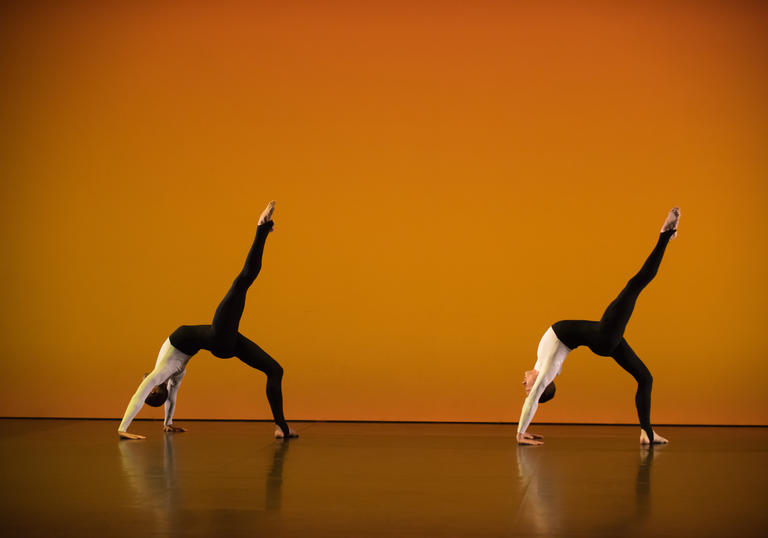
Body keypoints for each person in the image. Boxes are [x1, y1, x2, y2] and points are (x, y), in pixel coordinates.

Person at [117, 201, 298, 440]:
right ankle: (261, 228)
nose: (147, 382)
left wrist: (167, 422)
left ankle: (282, 429)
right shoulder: (163, 371)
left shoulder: (173, 375)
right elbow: (141, 393)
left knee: (275, 369)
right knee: (242, 282)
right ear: (154, 388)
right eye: (151, 386)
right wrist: (123, 429)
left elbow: (171, 398)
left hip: (226, 342)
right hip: (217, 336)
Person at [517, 208, 681, 446]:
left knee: (645, 378)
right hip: (603, 335)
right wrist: (520, 434)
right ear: (543, 386)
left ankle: (647, 432)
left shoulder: (540, 363)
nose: (525, 385)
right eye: (529, 388)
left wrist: (527, 427)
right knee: (635, 285)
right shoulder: (547, 371)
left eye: (527, 388)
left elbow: (532, 398)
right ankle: (666, 235)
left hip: (605, 339)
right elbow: (532, 399)